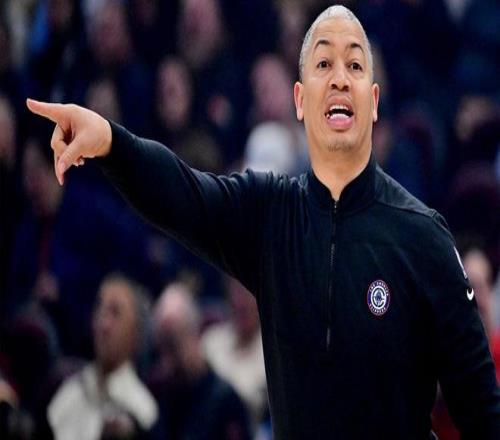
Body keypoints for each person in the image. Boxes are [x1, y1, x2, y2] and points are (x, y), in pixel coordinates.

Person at [27, 5, 500, 439]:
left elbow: (483, 413)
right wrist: (112, 142)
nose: (339, 78)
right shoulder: (270, 213)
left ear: (374, 101)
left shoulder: (422, 236)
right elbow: (182, 192)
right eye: (323, 64)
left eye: (355, 66)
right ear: (300, 100)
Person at [47, 274, 158, 439]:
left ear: (136, 333)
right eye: (100, 309)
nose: (103, 324)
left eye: (115, 313)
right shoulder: (67, 389)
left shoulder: (142, 412)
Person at [148, 281, 251, 439]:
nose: (167, 362)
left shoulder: (225, 401)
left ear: (194, 334)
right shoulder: (161, 392)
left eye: (173, 345)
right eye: (162, 348)